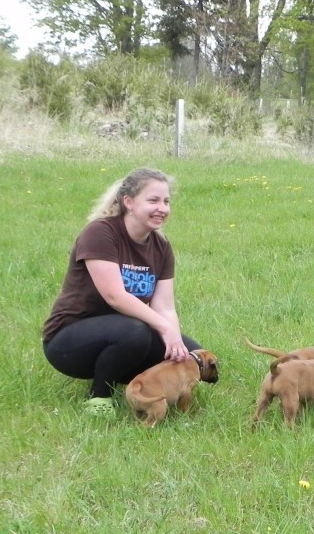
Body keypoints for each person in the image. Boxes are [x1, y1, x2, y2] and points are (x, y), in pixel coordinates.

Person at [42, 167, 203, 416]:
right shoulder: (100, 233)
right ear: (128, 202)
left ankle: (151, 392)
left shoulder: (161, 246)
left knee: (191, 353)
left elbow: (164, 306)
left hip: (123, 333)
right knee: (134, 332)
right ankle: (99, 397)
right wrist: (163, 327)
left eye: (166, 201)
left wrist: (174, 340)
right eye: (153, 200)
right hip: (68, 340)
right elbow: (114, 296)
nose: (162, 208)